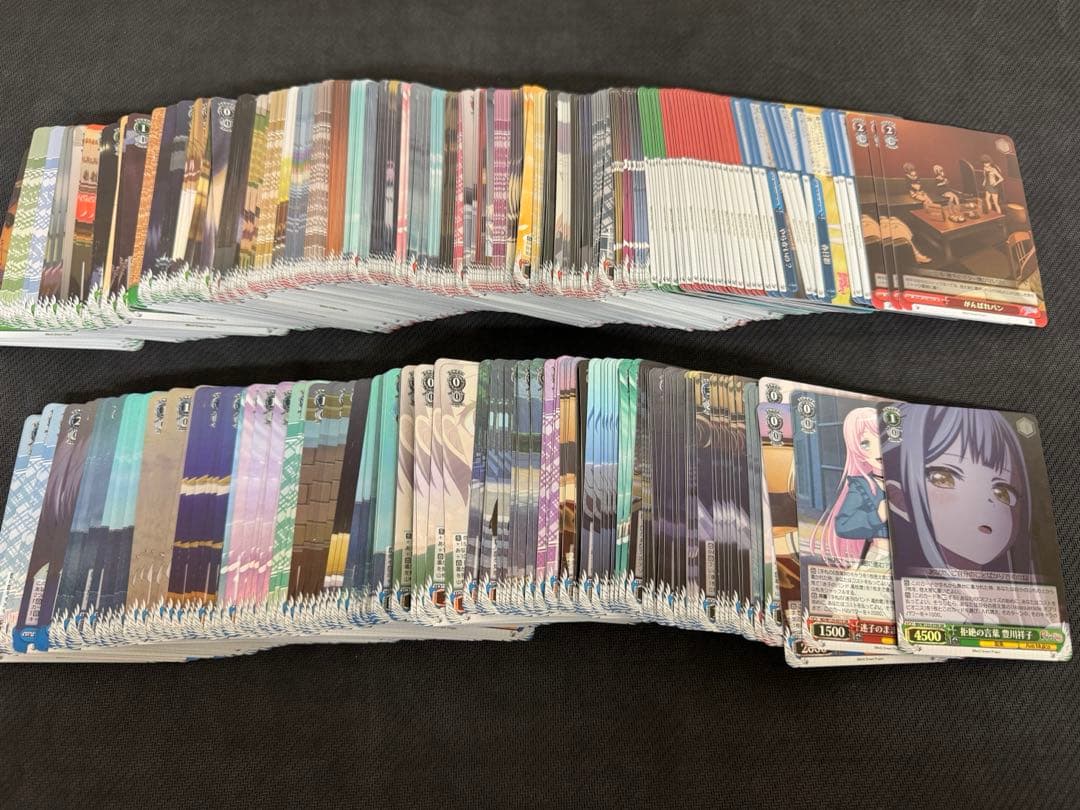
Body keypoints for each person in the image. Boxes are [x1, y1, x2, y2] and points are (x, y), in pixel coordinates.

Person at [808, 407, 889, 568]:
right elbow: (843, 525)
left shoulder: (906, 481)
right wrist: (877, 515)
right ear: (856, 449)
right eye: (865, 444)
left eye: (883, 439)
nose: (877, 450)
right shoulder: (862, 486)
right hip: (880, 557)